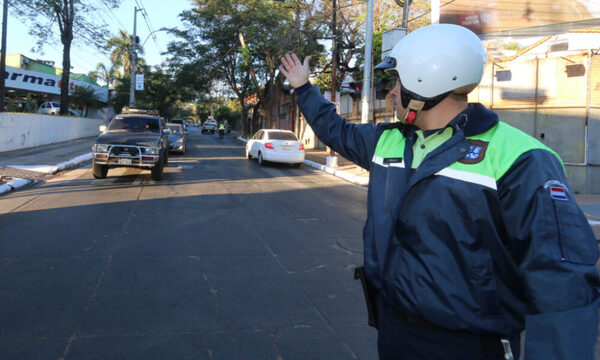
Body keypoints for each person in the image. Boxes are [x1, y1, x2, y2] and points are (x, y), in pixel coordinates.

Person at [279, 23, 599, 360]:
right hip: (394, 330)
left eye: (397, 82)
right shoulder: (389, 141)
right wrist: (303, 88)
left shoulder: (519, 157)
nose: (391, 92)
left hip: (469, 344)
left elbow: (563, 280)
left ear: (424, 81)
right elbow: (336, 130)